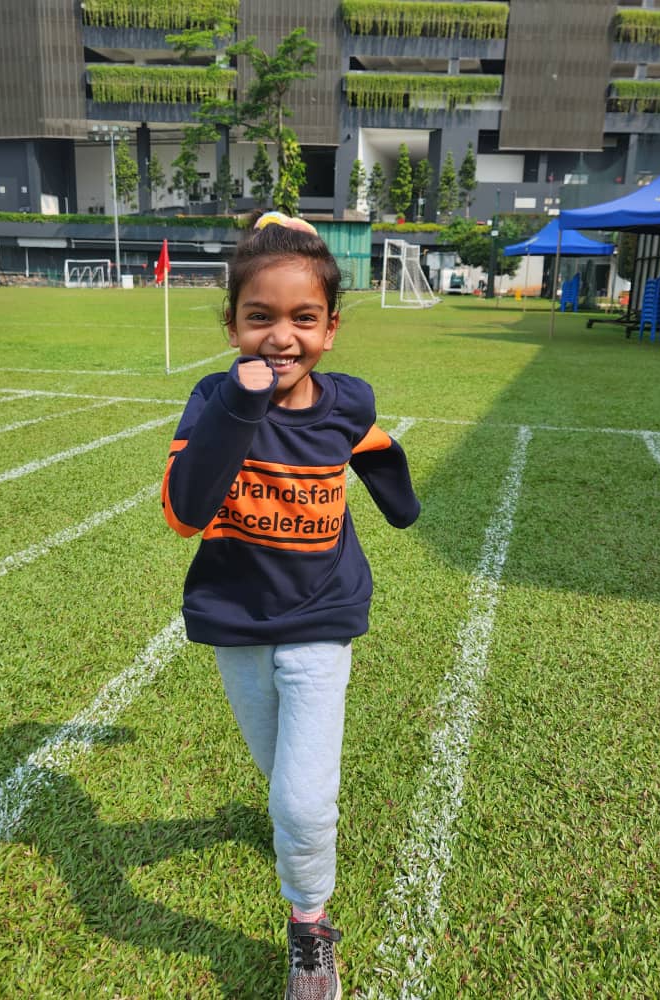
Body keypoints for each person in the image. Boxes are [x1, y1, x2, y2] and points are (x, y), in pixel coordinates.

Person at [161, 211, 420, 1000]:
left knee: (304, 802)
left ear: (331, 328)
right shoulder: (213, 397)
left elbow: (374, 444)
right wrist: (240, 409)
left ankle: (309, 925)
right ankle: (290, 830)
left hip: (322, 614)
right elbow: (184, 513)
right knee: (280, 774)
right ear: (233, 323)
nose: (281, 336)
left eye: (303, 318)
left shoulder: (346, 402)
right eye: (259, 317)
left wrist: (398, 503)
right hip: (237, 619)